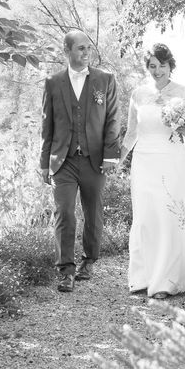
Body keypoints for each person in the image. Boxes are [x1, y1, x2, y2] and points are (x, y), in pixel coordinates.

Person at [40, 30, 120, 292]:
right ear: (67, 51)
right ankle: (66, 269)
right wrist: (44, 162)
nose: (86, 54)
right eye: (80, 49)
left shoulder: (105, 80)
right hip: (62, 160)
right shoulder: (53, 82)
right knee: (64, 212)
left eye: (88, 49)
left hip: (94, 159)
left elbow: (112, 120)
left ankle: (89, 259)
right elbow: (47, 125)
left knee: (93, 212)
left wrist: (111, 154)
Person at [119, 43, 185, 299]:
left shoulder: (183, 91)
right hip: (143, 161)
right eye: (152, 66)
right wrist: (116, 160)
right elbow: (132, 133)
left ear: (170, 66)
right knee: (144, 217)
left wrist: (179, 123)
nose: (157, 71)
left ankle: (166, 281)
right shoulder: (138, 94)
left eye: (162, 66)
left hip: (171, 160)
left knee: (168, 216)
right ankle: (143, 277)